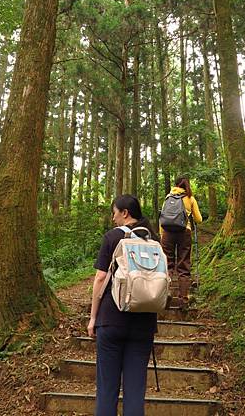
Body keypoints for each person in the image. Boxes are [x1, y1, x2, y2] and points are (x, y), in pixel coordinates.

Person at [88, 194, 159, 416]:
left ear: (125, 213)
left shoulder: (112, 238)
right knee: (135, 392)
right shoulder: (153, 240)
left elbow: (100, 279)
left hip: (111, 321)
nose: (113, 217)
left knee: (107, 390)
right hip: (144, 322)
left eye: (114, 212)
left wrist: (92, 318)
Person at [160, 176, 202, 307]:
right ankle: (183, 299)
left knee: (167, 264)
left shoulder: (168, 197)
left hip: (167, 233)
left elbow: (162, 217)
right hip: (184, 232)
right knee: (183, 264)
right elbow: (199, 219)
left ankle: (166, 292)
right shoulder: (190, 198)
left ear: (175, 185)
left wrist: (162, 235)